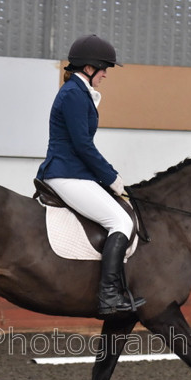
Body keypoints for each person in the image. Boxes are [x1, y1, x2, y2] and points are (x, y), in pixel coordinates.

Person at [36, 34, 145, 316]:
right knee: (120, 220)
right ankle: (109, 296)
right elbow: (82, 145)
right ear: (88, 68)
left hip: (75, 172)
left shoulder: (79, 91)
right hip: (66, 173)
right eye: (104, 69)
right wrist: (111, 177)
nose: (106, 75)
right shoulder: (73, 94)